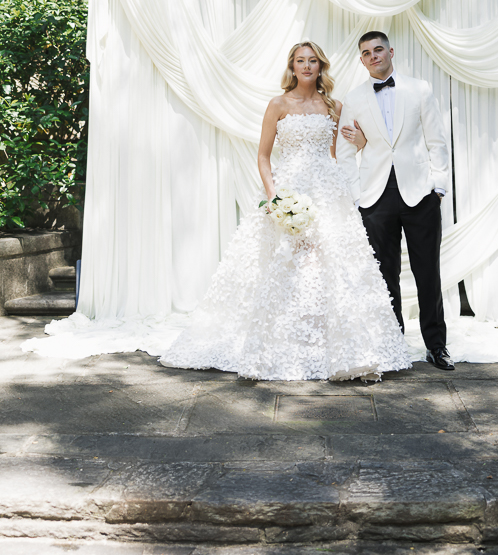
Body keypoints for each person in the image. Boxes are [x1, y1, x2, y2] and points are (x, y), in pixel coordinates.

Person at [160, 41, 412, 381]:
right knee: (282, 263)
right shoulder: (278, 105)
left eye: (312, 61)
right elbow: (263, 156)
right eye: (300, 61)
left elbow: (344, 152)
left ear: (321, 66)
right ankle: (278, 344)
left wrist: (363, 143)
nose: (306, 66)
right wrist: (275, 197)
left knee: (333, 265)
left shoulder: (334, 106)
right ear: (291, 67)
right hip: (289, 189)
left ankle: (340, 347)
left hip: (328, 191)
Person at [337, 32, 455, 371]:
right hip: (375, 196)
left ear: (391, 51)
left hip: (420, 194)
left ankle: (437, 346)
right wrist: (357, 195)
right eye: (366, 53)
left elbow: (436, 141)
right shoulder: (355, 98)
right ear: (361, 60)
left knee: (427, 274)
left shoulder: (419, 89)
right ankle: (392, 346)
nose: (373, 56)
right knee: (384, 275)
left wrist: (439, 188)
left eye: (378, 50)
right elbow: (346, 153)